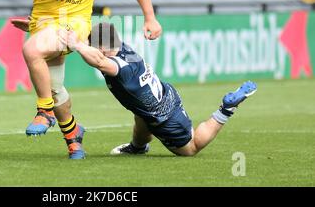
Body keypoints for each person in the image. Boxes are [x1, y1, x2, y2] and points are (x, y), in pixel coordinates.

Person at [11, 0, 162, 159]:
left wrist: (150, 17)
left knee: (32, 51)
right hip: (43, 22)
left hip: (76, 23)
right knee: (56, 88)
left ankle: (43, 111)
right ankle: (73, 137)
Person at [58, 23, 257, 157]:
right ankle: (137, 147)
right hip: (164, 94)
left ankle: (226, 109)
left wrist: (76, 45)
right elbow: (97, 50)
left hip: (165, 117)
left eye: (94, 46)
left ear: (101, 47)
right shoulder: (120, 47)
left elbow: (99, 60)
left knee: (191, 148)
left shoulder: (119, 67)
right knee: (140, 116)